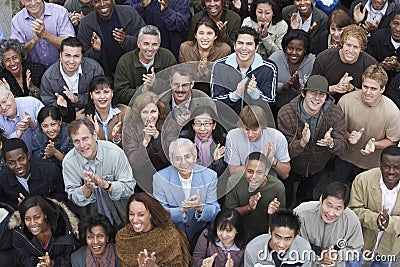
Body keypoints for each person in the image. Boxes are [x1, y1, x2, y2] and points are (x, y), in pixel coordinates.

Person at [277, 75, 347, 207]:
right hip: (290, 166)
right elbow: (284, 153)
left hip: (317, 167)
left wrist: (331, 143)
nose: (317, 98)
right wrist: (302, 143)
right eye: (313, 93)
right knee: (286, 196)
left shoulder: (335, 113)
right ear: (303, 93)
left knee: (306, 197)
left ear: (327, 97)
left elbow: (342, 146)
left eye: (322, 94)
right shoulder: (286, 113)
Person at [62, 119, 135, 229]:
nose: (82, 145)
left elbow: (129, 187)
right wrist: (86, 189)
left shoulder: (115, 153)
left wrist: (107, 185)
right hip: (92, 223)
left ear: (94, 135)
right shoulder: (69, 162)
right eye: (76, 141)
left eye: (85, 138)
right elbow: (72, 196)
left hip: (123, 218)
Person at [335, 64, 400, 184]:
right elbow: (337, 127)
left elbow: (392, 141)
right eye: (365, 87)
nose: (368, 92)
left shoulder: (393, 111)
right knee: (339, 191)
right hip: (344, 158)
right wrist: (348, 136)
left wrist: (374, 144)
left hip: (372, 165)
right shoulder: (345, 101)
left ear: (382, 89)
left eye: (374, 89)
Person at [153, 138, 220, 245]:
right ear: (172, 160)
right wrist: (181, 210)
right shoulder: (160, 178)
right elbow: (159, 213)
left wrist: (200, 208)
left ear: (194, 157)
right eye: (178, 158)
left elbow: (215, 210)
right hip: (172, 235)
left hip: (201, 235)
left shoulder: (209, 176)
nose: (183, 163)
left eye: (187, 156)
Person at [349, 145, 400, 266]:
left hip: (390, 247)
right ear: (380, 164)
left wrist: (390, 223)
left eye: (397, 167)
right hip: (360, 242)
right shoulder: (363, 180)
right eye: (386, 166)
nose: (391, 171)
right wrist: (375, 220)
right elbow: (353, 210)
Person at [293, 182, 363, 267]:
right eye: (328, 205)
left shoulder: (351, 220)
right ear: (321, 199)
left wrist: (337, 255)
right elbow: (292, 244)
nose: (330, 213)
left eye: (338, 208)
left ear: (345, 207)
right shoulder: (301, 213)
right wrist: (319, 258)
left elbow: (355, 249)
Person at [211, 26, 278, 115]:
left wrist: (255, 95)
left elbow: (271, 102)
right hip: (227, 122)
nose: (244, 48)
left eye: (249, 44)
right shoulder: (219, 66)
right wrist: (235, 95)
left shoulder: (269, 68)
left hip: (256, 124)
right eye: (240, 43)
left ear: (256, 47)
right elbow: (215, 101)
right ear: (234, 45)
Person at [116, 192, 191, 267]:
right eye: (131, 214)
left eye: (141, 215)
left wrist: (153, 266)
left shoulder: (169, 234)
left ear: (151, 214)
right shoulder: (123, 238)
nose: (135, 220)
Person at [224, 152, 286, 239]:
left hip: (265, 235)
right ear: (245, 169)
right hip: (239, 233)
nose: (254, 177)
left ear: (266, 171)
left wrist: (272, 214)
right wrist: (248, 207)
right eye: (250, 171)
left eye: (259, 172)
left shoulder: (278, 188)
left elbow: (281, 222)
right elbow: (228, 214)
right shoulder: (234, 181)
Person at [77, 0, 145, 77]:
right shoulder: (86, 24)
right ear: (92, 3)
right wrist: (95, 51)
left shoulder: (129, 12)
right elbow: (82, 58)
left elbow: (146, 42)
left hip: (132, 74)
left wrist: (126, 40)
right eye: (97, 1)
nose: (102, 4)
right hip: (103, 78)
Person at [312, 24, 378, 103]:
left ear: (362, 49)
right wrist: (335, 88)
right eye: (348, 45)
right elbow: (313, 89)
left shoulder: (371, 64)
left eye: (355, 47)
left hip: (357, 104)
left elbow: (374, 95)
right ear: (342, 43)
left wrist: (351, 88)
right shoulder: (323, 59)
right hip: (325, 103)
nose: (350, 50)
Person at [123, 91, 172, 193]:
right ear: (139, 113)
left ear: (159, 112)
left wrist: (157, 137)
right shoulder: (130, 129)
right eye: (145, 112)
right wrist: (145, 142)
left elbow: (171, 158)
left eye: (153, 111)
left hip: (165, 177)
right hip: (141, 180)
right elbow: (134, 163)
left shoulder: (169, 125)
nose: (149, 116)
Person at [113, 25, 176, 105]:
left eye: (154, 44)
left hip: (161, 106)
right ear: (138, 43)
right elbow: (120, 93)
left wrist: (156, 83)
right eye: (146, 44)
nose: (150, 48)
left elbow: (174, 88)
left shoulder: (167, 57)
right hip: (132, 107)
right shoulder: (125, 61)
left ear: (159, 45)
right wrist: (142, 90)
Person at [40, 37, 104, 115]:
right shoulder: (48, 77)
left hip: (92, 114)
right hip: (64, 120)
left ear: (82, 57)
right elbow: (49, 106)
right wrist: (60, 106)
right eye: (67, 55)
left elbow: (101, 96)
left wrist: (77, 99)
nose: (71, 61)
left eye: (76, 56)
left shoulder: (94, 68)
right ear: (60, 55)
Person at [9, 196, 79, 267]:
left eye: (37, 217)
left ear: (45, 215)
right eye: (27, 219)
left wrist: (53, 263)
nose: (32, 223)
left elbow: (70, 258)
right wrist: (38, 263)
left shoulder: (64, 228)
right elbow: (23, 257)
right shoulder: (19, 233)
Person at [225, 105, 290, 178]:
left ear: (263, 127)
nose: (250, 134)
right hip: (242, 181)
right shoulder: (233, 136)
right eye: (246, 129)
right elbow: (233, 171)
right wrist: (258, 165)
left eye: (254, 130)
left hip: (268, 182)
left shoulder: (277, 137)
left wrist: (272, 160)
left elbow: (285, 174)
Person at [0, 138, 67, 210]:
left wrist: (40, 204)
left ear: (28, 155)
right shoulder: (2, 179)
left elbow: (62, 196)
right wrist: (20, 207)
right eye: (12, 163)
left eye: (21, 159)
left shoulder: (49, 169)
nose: (18, 166)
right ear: (6, 163)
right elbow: (5, 204)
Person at [10, 0, 75, 68]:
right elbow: (16, 54)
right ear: (22, 1)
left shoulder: (60, 12)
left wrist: (45, 34)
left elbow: (70, 46)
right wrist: (33, 41)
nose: (33, 3)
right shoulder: (16, 21)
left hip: (62, 67)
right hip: (33, 71)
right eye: (28, 0)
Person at [244, 209, 311, 267]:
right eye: (277, 237)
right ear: (270, 231)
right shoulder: (252, 249)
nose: (281, 244)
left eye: (287, 239)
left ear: (295, 237)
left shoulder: (304, 249)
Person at [124, 0, 190, 58]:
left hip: (169, 53)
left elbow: (182, 25)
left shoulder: (181, 1)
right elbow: (125, 13)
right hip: (140, 52)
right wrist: (140, 6)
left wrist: (166, 11)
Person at [269, 29, 315, 111]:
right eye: (290, 48)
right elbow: (266, 84)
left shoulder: (312, 61)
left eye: (298, 50)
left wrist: (298, 86)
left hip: (303, 109)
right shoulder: (275, 58)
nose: (293, 53)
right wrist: (283, 86)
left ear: (305, 50)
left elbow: (313, 90)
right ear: (285, 47)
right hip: (276, 106)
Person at [76, 75, 126, 147]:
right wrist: (94, 135)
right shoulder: (81, 117)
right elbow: (82, 147)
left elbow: (132, 144)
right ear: (91, 95)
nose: (102, 97)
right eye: (97, 93)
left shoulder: (124, 112)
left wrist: (116, 139)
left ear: (112, 93)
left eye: (106, 92)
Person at [181, 105, 227, 177]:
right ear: (193, 125)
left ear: (214, 125)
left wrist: (217, 161)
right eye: (198, 123)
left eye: (207, 123)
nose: (202, 128)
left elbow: (224, 175)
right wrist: (192, 161)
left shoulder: (223, 141)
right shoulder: (184, 140)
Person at [0, 81, 44, 152]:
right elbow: (2, 147)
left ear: (11, 94)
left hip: (44, 156)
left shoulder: (32, 103)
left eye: (4, 101)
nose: (3, 107)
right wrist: (18, 133)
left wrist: (33, 124)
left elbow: (52, 125)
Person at [366, 9, 400, 84]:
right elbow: (367, 64)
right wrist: (381, 66)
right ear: (390, 23)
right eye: (395, 23)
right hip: (375, 82)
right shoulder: (378, 37)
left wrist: (398, 66)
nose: (398, 29)